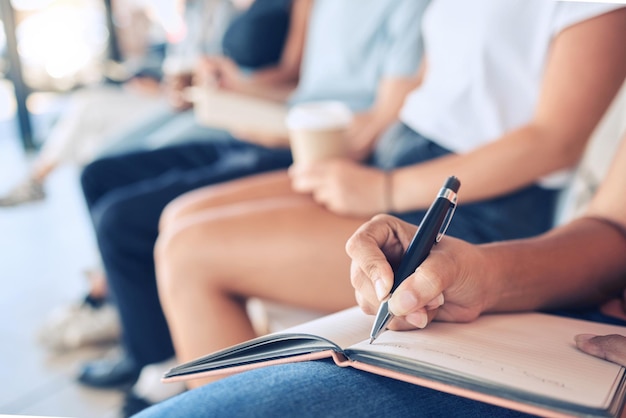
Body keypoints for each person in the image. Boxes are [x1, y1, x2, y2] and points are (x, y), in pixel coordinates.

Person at [152, 0, 626, 397]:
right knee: (179, 218)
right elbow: (424, 87)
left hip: (477, 196)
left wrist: (385, 189)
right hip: (404, 154)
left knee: (190, 255)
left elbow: (555, 139)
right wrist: (364, 143)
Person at [75, 0, 427, 415]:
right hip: (286, 120)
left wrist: (373, 178)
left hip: (324, 143)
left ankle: (162, 369)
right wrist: (240, 92)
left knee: (158, 233)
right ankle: (154, 356)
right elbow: (299, 87)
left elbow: (380, 119)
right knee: (134, 195)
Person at [134, 128, 626, 418]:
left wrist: (385, 186)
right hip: (574, 331)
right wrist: (481, 272)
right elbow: (613, 232)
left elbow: (553, 137)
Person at [31, 0, 292, 353]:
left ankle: (148, 352)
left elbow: (296, 76)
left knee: (126, 216)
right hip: (238, 108)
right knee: (99, 171)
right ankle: (124, 302)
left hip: (267, 124)